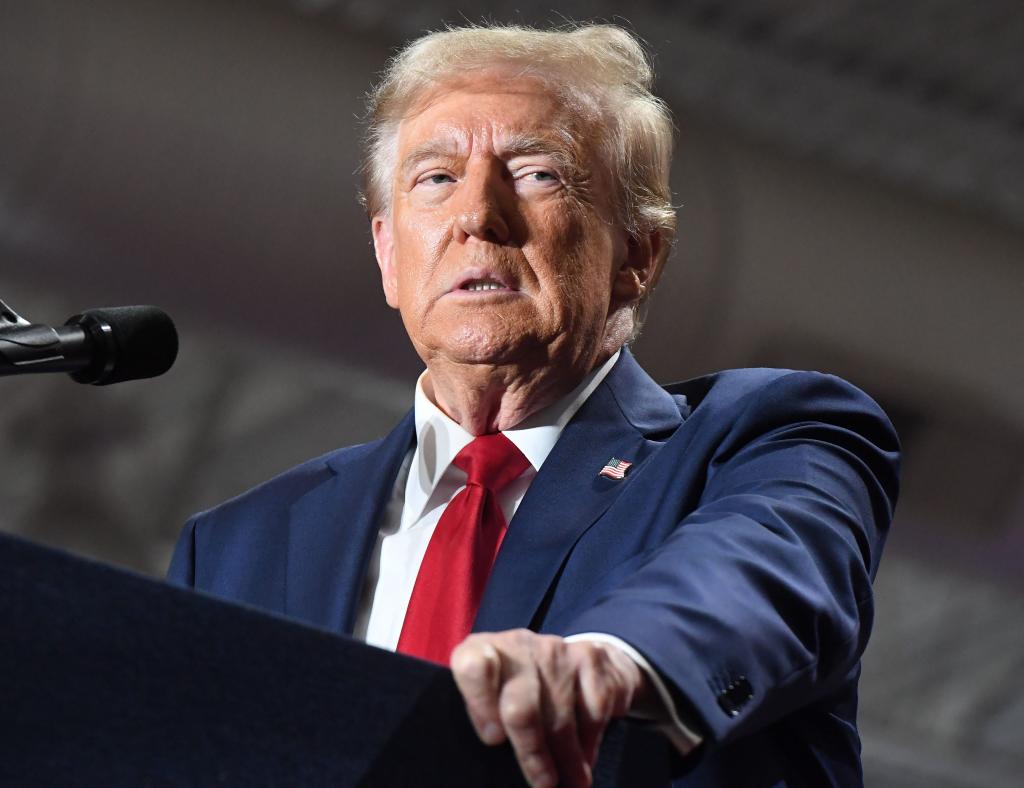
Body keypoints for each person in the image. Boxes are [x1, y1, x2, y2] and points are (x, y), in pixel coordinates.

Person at [168, 23, 900, 788]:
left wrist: (610, 660)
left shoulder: (770, 439)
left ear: (637, 256)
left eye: (536, 173)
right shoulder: (236, 549)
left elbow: (758, 569)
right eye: (436, 179)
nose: (477, 216)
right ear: (388, 254)